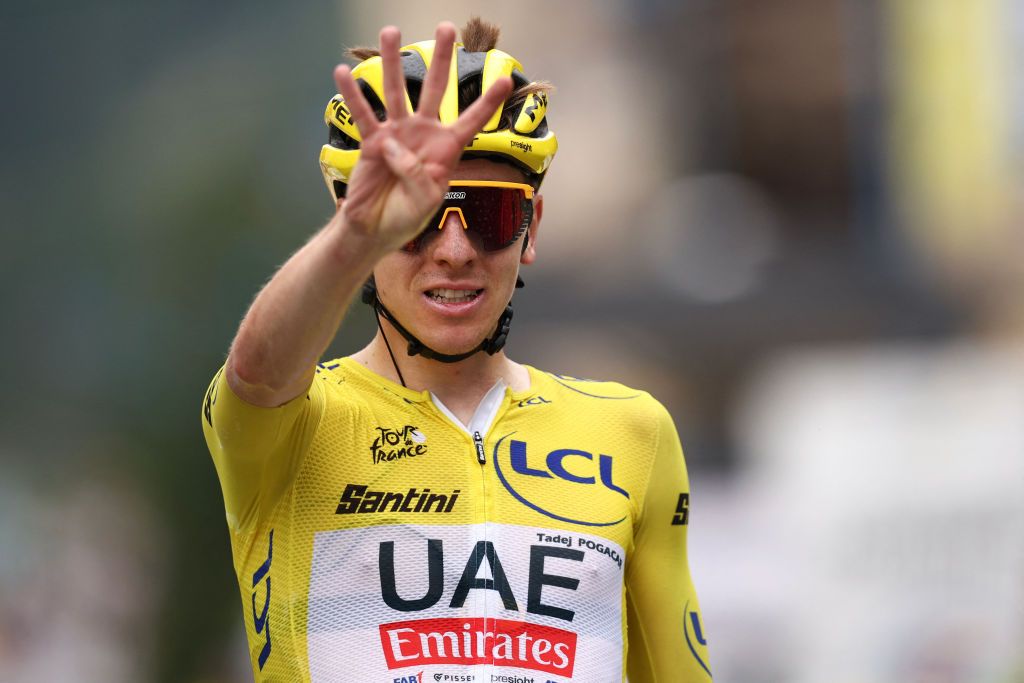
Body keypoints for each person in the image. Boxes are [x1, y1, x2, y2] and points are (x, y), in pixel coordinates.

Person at [201, 17, 711, 682]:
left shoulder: (633, 433)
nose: (454, 250)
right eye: (413, 222)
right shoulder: (295, 426)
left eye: (491, 214)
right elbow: (255, 374)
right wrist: (355, 237)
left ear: (530, 229)